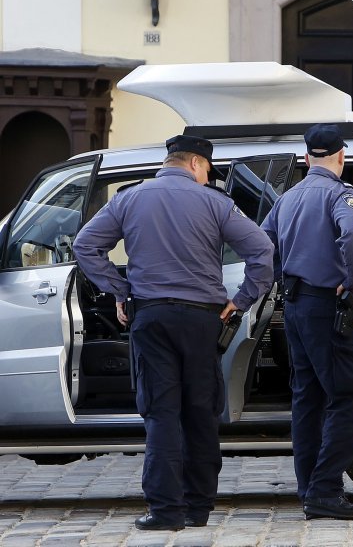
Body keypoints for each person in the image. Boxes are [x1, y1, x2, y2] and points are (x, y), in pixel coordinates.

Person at [73, 135, 274, 531]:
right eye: (207, 171)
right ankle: (199, 507)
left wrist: (120, 289)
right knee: (201, 411)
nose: (206, 177)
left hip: (151, 317)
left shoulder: (129, 199)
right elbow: (263, 252)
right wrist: (243, 299)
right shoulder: (217, 203)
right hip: (204, 321)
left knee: (161, 413)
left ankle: (165, 512)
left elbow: (85, 245)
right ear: (197, 163)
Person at [261, 123, 353, 520]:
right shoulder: (341, 194)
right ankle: (325, 490)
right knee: (348, 394)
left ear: (307, 158)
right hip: (328, 307)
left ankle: (309, 488)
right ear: (341, 156)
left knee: (307, 398)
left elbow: (262, 243)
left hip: (294, 307)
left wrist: (278, 279)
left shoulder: (288, 197)